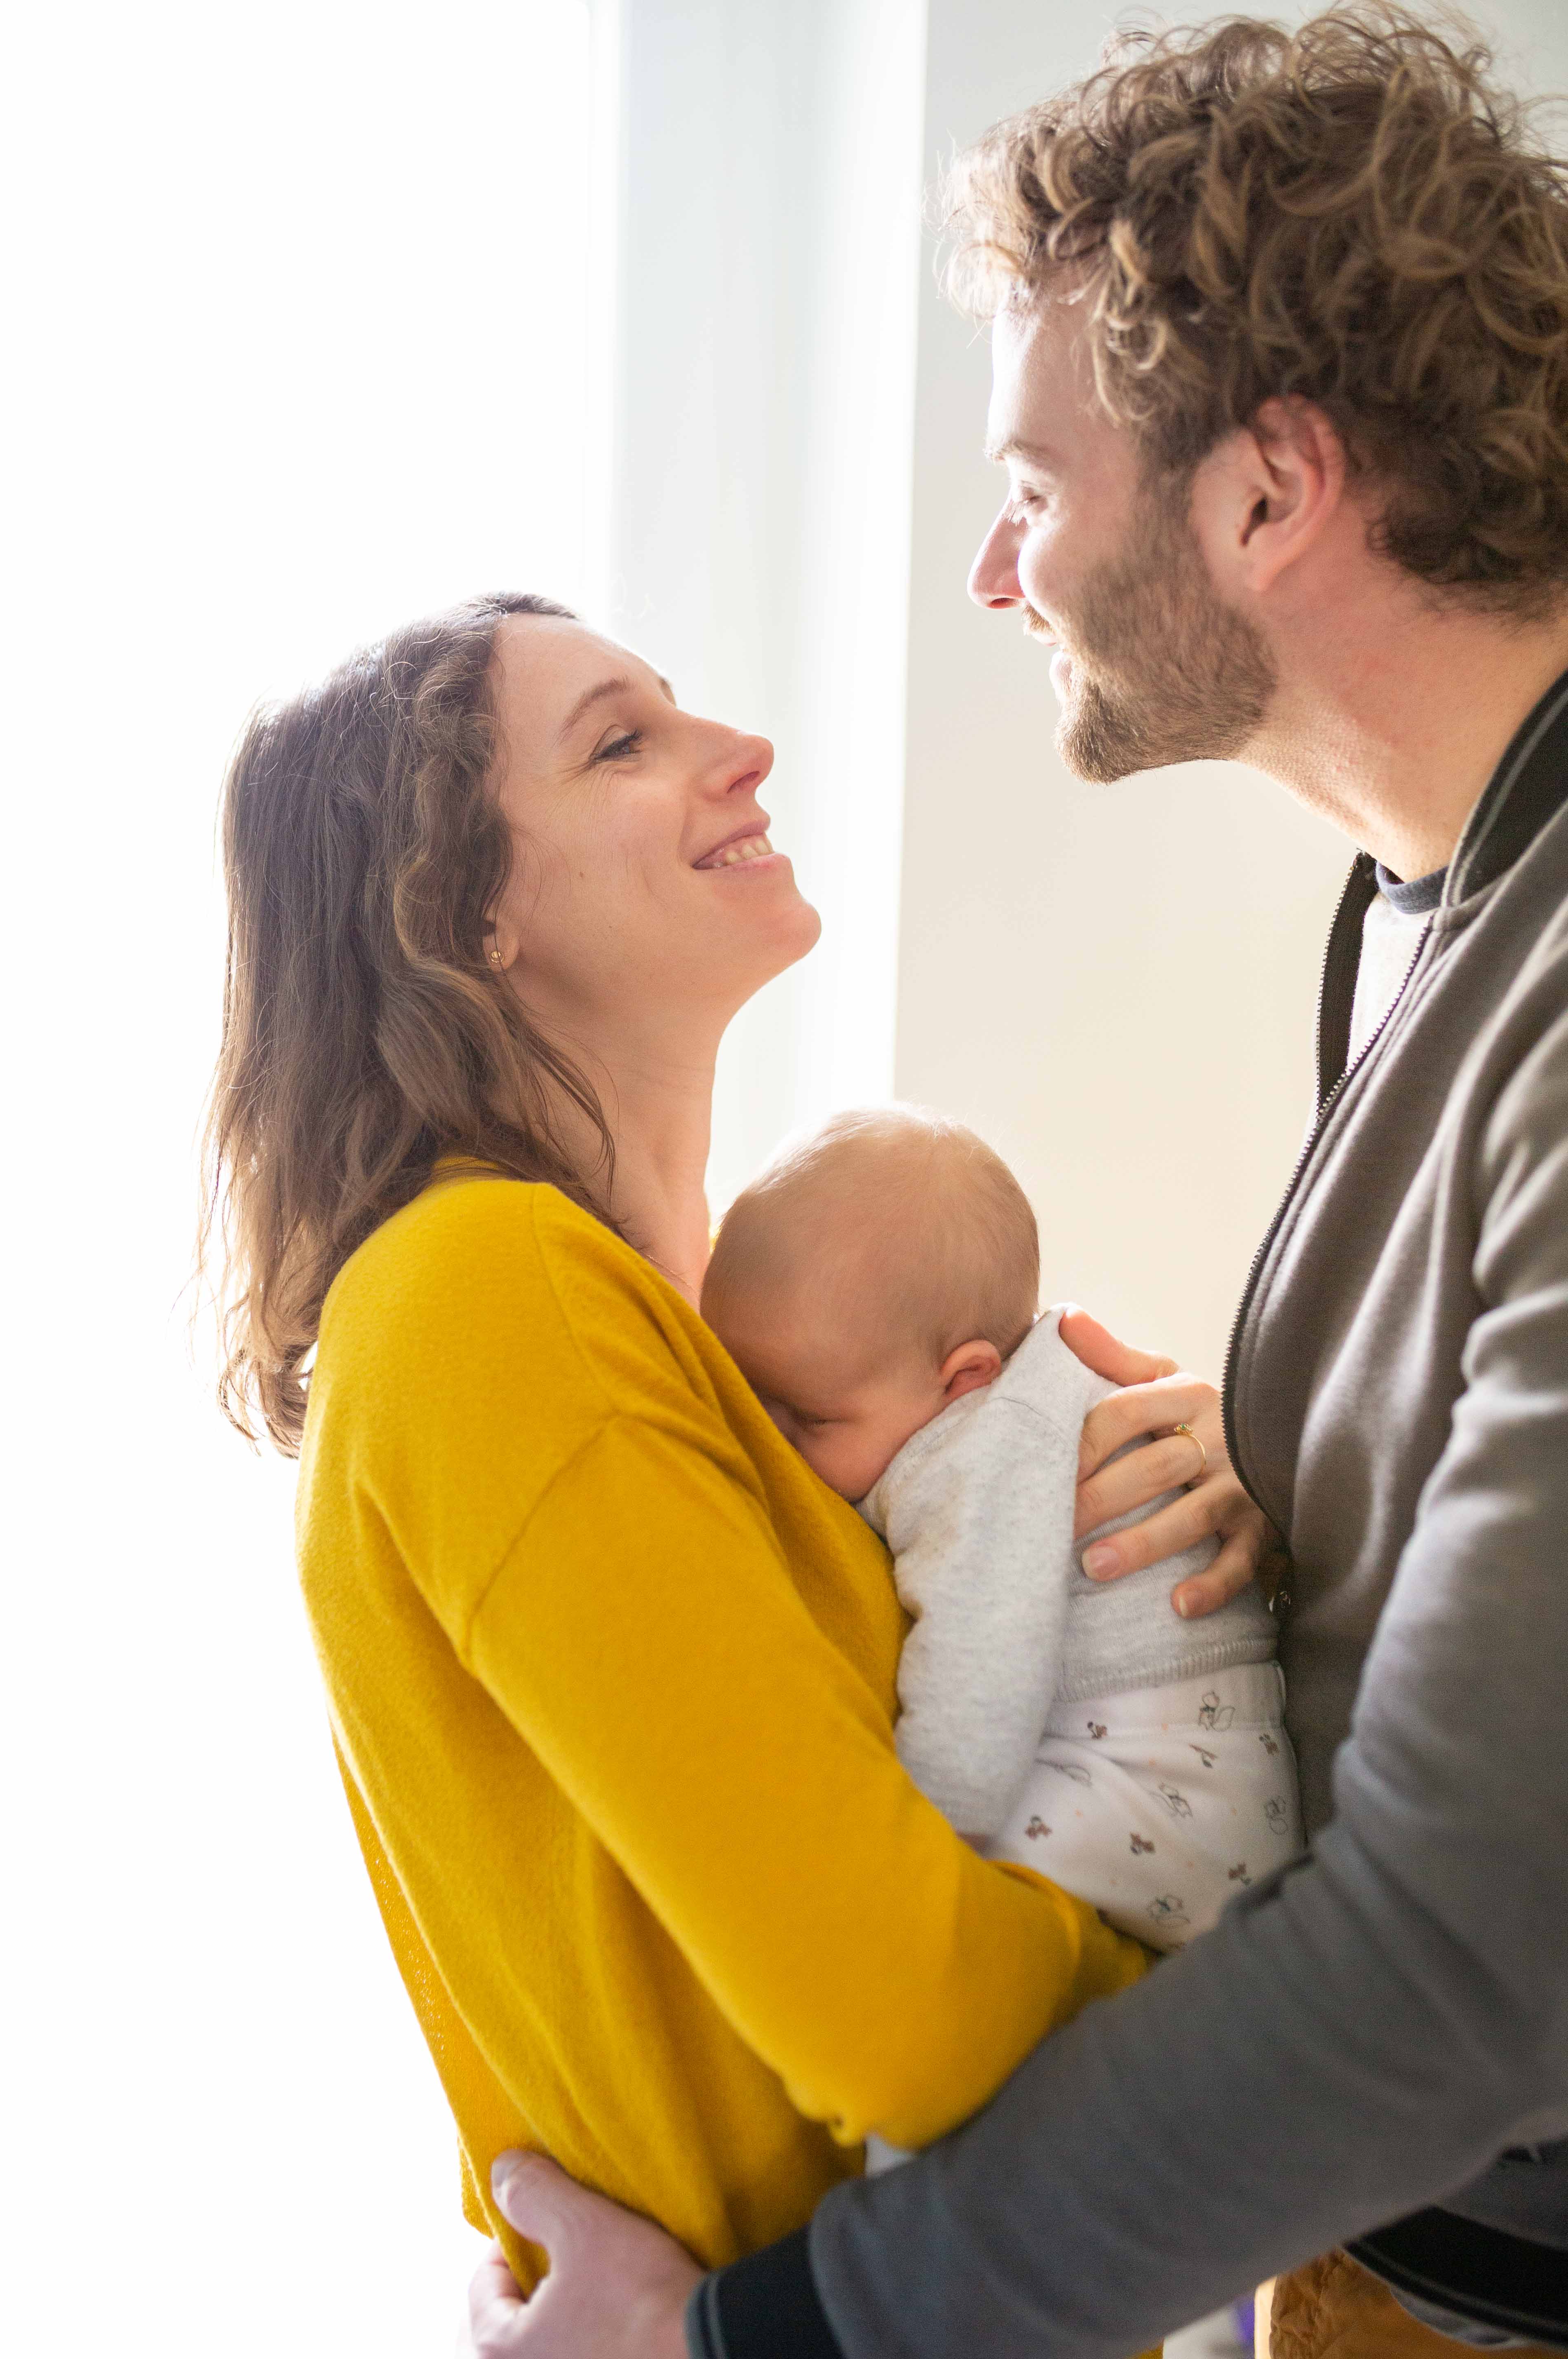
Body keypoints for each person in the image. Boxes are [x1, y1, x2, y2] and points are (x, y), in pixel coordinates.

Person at [467, 9, 1568, 2355]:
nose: (994, 569)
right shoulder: (1417, 904)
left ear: (1269, 496)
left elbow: (1475, 1961)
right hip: (1372, 2260)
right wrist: (1284, 1488)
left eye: (1036, 485)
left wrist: (771, 2338)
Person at [202, 594, 1264, 2298]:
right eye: (621, 740)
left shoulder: (711, 1346)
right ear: (466, 913)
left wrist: (1203, 1492)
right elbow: (914, 2021)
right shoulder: (489, 1295)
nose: (742, 750)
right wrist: (1312, 2035)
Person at [701, 1103, 1299, 1973]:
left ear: (965, 1376)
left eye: (808, 1417)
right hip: (1211, 1774)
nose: (772, 1436)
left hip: (1168, 1782)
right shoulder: (967, 1393)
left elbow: (985, 1655)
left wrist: (926, 1828)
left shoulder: (982, 1446)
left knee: (893, 1916)